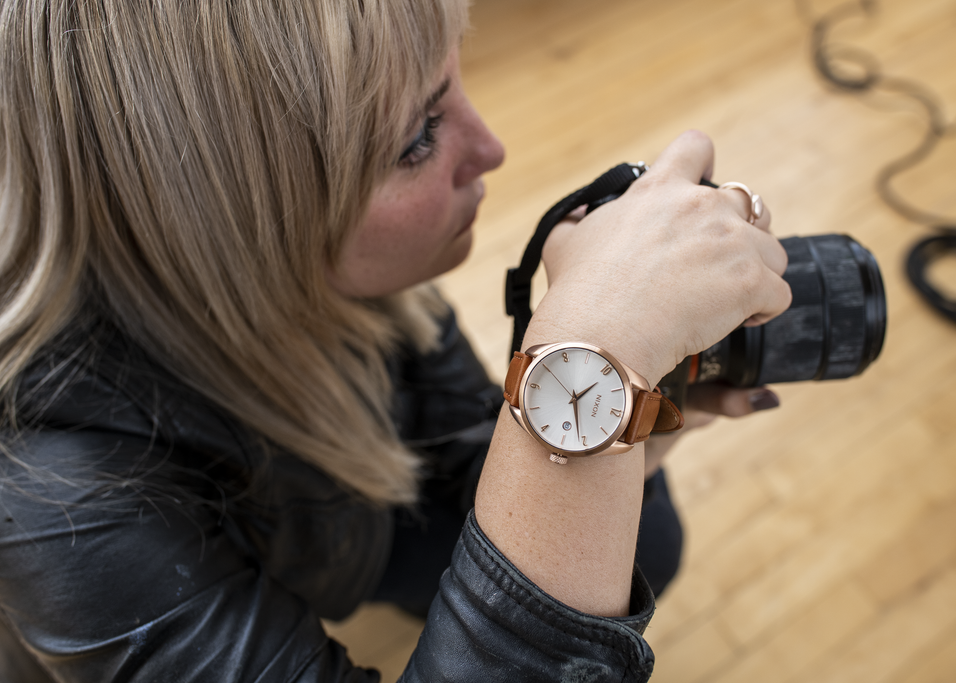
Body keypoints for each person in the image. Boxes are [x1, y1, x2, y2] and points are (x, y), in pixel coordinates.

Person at [0, 1, 790, 681]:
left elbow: (479, 447)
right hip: (289, 537)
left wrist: (623, 416)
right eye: (420, 137)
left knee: (644, 538)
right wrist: (591, 343)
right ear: (229, 225)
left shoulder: (362, 273)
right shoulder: (56, 497)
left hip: (350, 518)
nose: (490, 149)